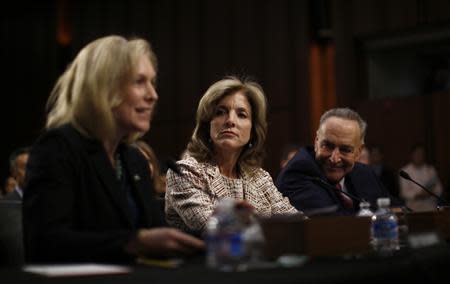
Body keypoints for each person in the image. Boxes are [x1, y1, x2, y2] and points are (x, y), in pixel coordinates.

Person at [23, 35, 204, 264]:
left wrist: (223, 230)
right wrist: (134, 242)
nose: (153, 95)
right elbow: (45, 242)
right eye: (139, 82)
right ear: (103, 87)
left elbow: (160, 234)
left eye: (152, 82)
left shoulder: (133, 159)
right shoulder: (57, 149)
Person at [165, 77, 301, 236]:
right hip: (205, 260)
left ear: (252, 130)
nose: (230, 121)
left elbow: (298, 224)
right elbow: (215, 228)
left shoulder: (260, 178)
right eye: (220, 112)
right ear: (207, 124)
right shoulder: (185, 173)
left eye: (241, 114)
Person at [276, 108, 395, 215]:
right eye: (328, 146)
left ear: (358, 152)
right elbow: (335, 224)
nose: (334, 158)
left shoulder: (364, 173)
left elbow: (394, 208)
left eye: (345, 150)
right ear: (316, 142)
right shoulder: (296, 173)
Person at [399, 144, 443, 212]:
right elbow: (404, 192)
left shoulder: (431, 170)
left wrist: (430, 193)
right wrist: (418, 195)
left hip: (430, 205)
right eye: (417, 154)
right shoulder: (405, 171)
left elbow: (439, 189)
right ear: (412, 155)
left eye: (422, 154)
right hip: (413, 206)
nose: (419, 156)